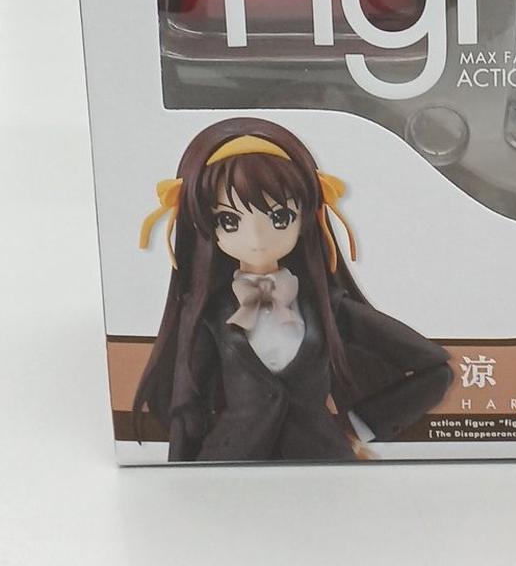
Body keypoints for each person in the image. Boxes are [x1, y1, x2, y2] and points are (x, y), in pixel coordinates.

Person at [135, 117, 453, 461]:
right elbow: (187, 406)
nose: (256, 238)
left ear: (305, 218)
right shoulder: (207, 313)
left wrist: (361, 425)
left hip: (321, 460)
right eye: (229, 221)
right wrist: (182, 476)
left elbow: (434, 369)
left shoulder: (329, 308)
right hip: (232, 462)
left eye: (279, 217)